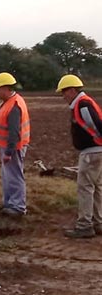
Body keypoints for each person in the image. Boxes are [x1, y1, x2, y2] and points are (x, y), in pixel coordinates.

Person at [56, 74, 102, 238]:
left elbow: (95, 125)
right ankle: (98, 223)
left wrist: (96, 141)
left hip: (91, 152)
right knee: (96, 187)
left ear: (73, 90)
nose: (63, 96)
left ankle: (84, 225)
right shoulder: (85, 102)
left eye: (64, 92)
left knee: (85, 188)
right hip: (96, 151)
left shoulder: (82, 104)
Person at [0, 72, 30, 217]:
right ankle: (9, 203)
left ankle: (18, 207)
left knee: (14, 176)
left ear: (6, 88)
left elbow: (14, 132)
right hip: (8, 146)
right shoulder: (10, 101)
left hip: (13, 148)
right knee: (8, 175)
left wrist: (8, 152)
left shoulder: (14, 105)